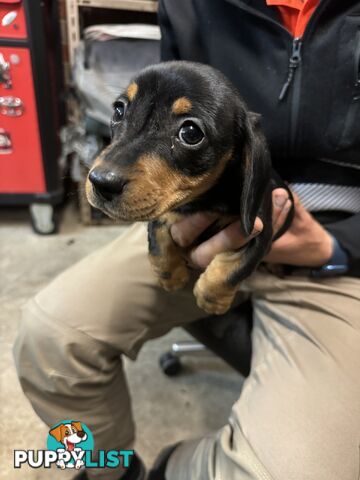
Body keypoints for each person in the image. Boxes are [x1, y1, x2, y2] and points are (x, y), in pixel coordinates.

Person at [14, 1, 360, 479]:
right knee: (48, 337)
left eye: (189, 132)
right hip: (194, 215)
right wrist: (166, 236)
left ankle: (174, 468)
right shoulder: (191, 3)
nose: (105, 171)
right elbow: (158, 106)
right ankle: (108, 468)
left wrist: (338, 247)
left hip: (336, 243)